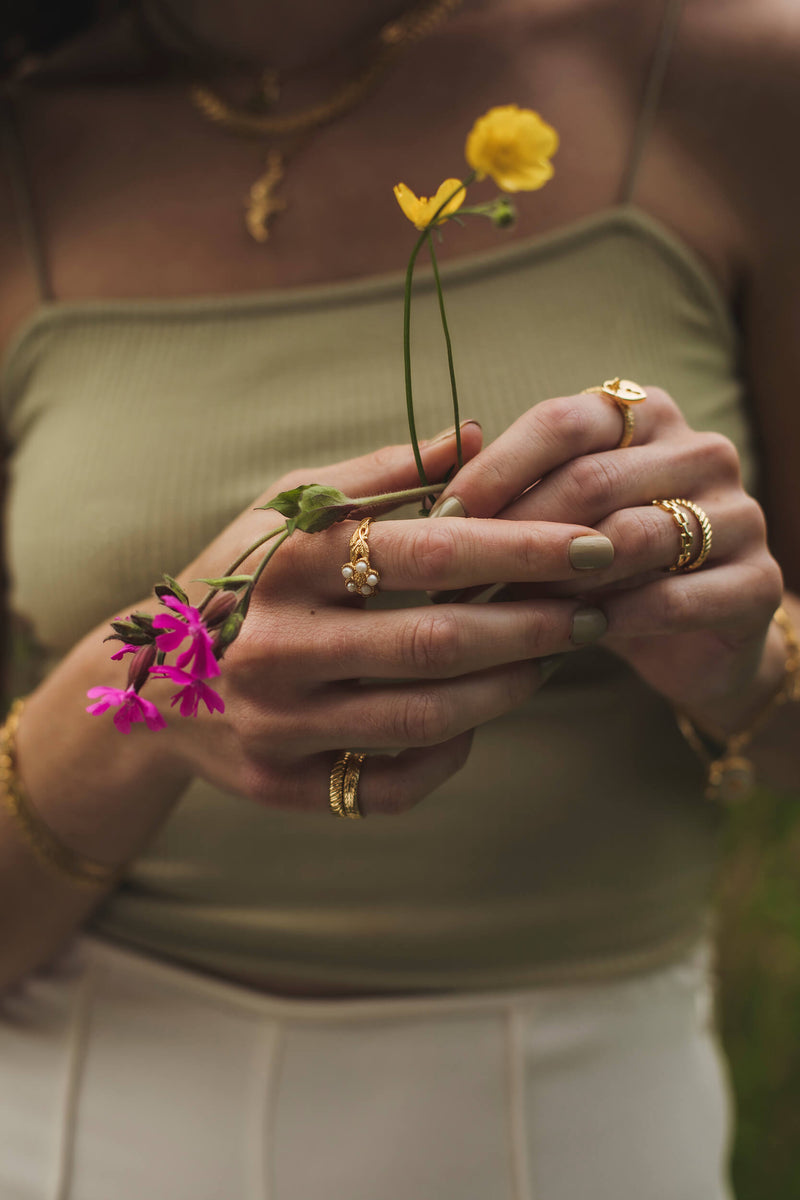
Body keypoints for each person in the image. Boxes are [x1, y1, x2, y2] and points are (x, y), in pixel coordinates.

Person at [0, 0, 798, 1196]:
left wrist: (743, 659)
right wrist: (166, 686)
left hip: (577, 1124)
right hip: (84, 1112)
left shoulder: (730, 76)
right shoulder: (27, 132)